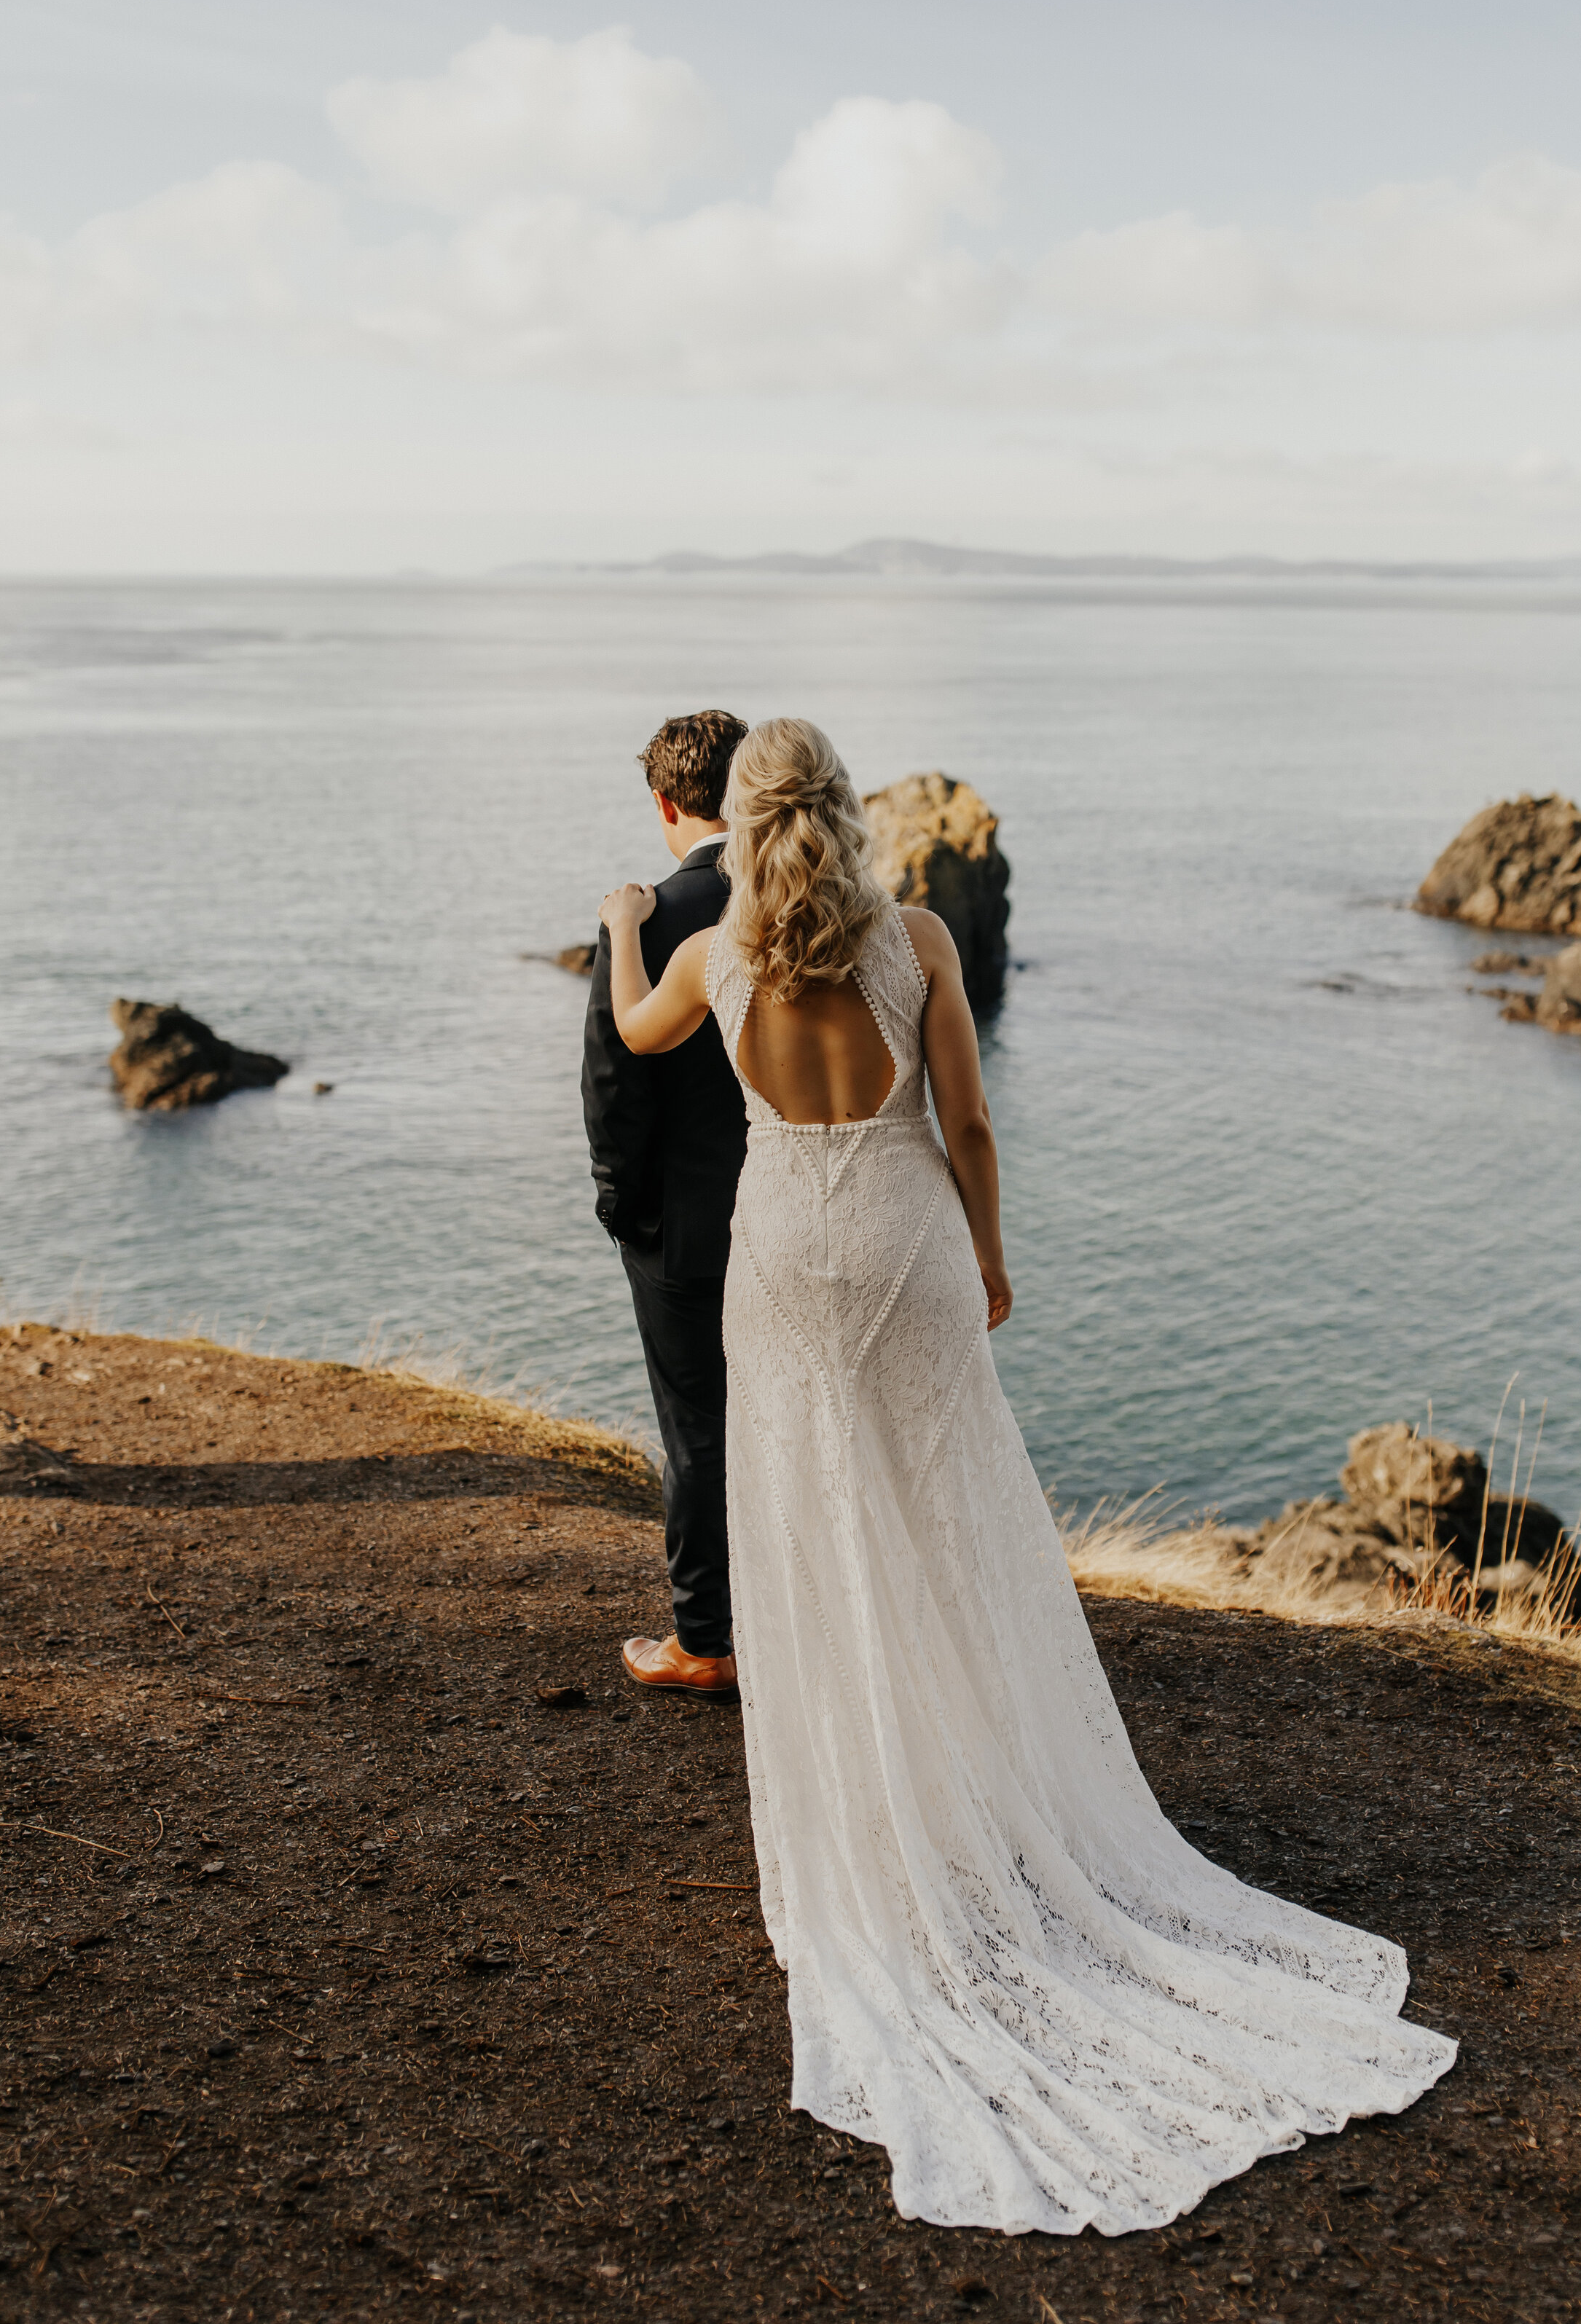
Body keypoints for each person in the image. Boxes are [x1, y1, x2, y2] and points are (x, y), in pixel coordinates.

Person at [598, 718, 1455, 2237]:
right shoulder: (914, 933)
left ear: (735, 820)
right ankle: (997, 1805)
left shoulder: (715, 953)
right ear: (847, 812)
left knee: (818, 1535)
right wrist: (989, 1260)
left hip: (785, 1256)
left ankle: (879, 1828)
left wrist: (616, 930)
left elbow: (638, 1033)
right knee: (954, 1522)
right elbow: (969, 1124)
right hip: (907, 1245)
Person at [582, 708, 750, 1700]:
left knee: (698, 1427)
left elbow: (614, 1080)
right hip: (797, 1205)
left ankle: (706, 1638)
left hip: (683, 1221)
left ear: (665, 803)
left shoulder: (648, 918)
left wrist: (622, 1205)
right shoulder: (801, 901)